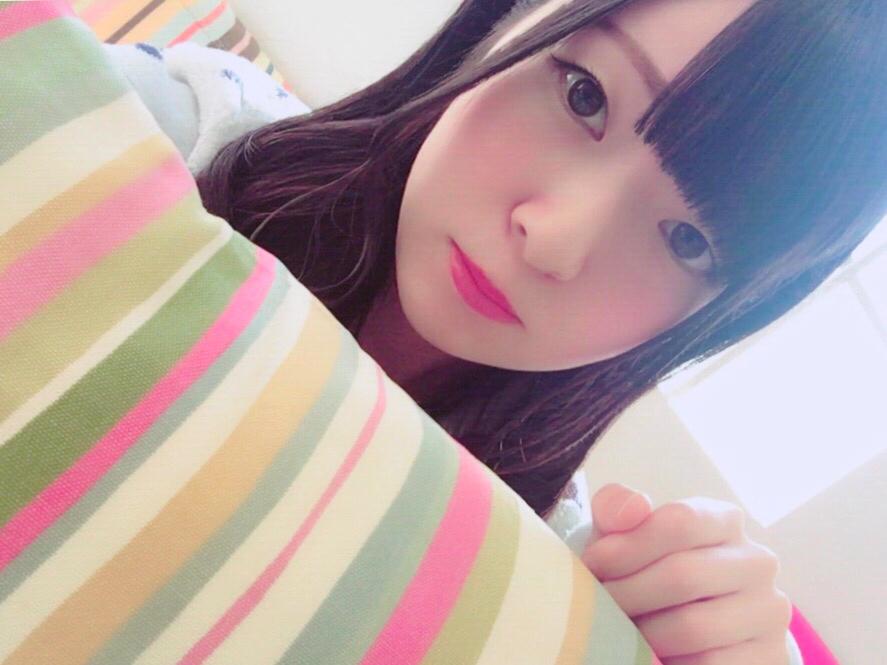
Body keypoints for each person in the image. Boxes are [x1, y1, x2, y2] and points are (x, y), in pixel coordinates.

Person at [104, 0, 886, 662]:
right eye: (584, 95)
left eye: (688, 241)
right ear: (516, 20)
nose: (554, 240)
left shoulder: (545, 575)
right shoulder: (157, 134)